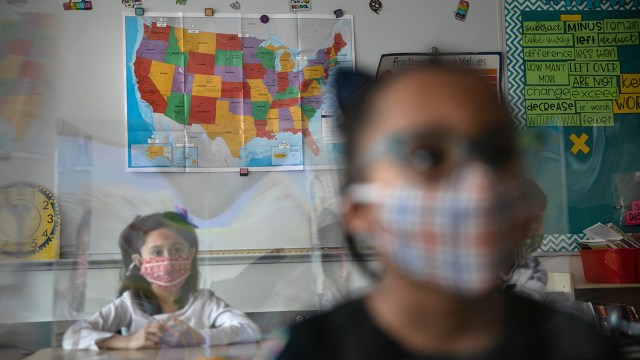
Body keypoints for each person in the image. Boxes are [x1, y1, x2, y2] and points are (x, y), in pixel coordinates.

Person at [276, 65, 620, 359]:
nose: (478, 185)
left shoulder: (576, 346)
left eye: (497, 153)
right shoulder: (319, 350)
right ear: (359, 208)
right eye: (428, 156)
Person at [63, 211, 260, 350]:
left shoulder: (204, 302)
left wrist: (199, 338)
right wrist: (128, 342)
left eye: (176, 250)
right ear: (139, 262)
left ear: (190, 255)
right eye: (157, 252)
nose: (168, 261)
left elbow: (250, 330)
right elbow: (72, 336)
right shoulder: (129, 304)